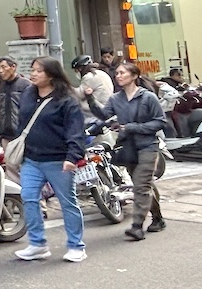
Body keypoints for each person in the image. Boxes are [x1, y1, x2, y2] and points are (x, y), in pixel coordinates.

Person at [14, 57, 87, 263]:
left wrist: (72, 156)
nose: (33, 74)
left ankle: (76, 246)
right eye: (32, 70)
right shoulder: (28, 94)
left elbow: (75, 131)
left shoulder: (67, 99)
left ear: (52, 74)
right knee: (29, 198)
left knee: (68, 202)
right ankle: (37, 244)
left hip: (58, 160)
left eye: (39, 71)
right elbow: (22, 123)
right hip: (31, 159)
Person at [86, 61, 166, 239]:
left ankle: (137, 226)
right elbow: (103, 115)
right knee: (142, 186)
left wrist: (131, 127)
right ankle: (158, 218)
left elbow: (160, 122)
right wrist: (90, 99)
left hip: (147, 146)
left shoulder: (148, 97)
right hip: (128, 147)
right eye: (117, 73)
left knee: (141, 185)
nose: (119, 76)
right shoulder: (116, 99)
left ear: (134, 76)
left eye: (122, 73)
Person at [0, 56, 32, 149]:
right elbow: (2, 109)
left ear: (13, 67)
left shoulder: (26, 85)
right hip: (5, 135)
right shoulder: (2, 86)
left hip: (22, 135)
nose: (1, 71)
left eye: (3, 67)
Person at [71, 56, 113, 122]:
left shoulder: (89, 77)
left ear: (80, 69)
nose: (76, 73)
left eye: (76, 70)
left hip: (94, 113)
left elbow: (79, 95)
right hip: (106, 108)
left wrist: (65, 87)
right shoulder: (101, 73)